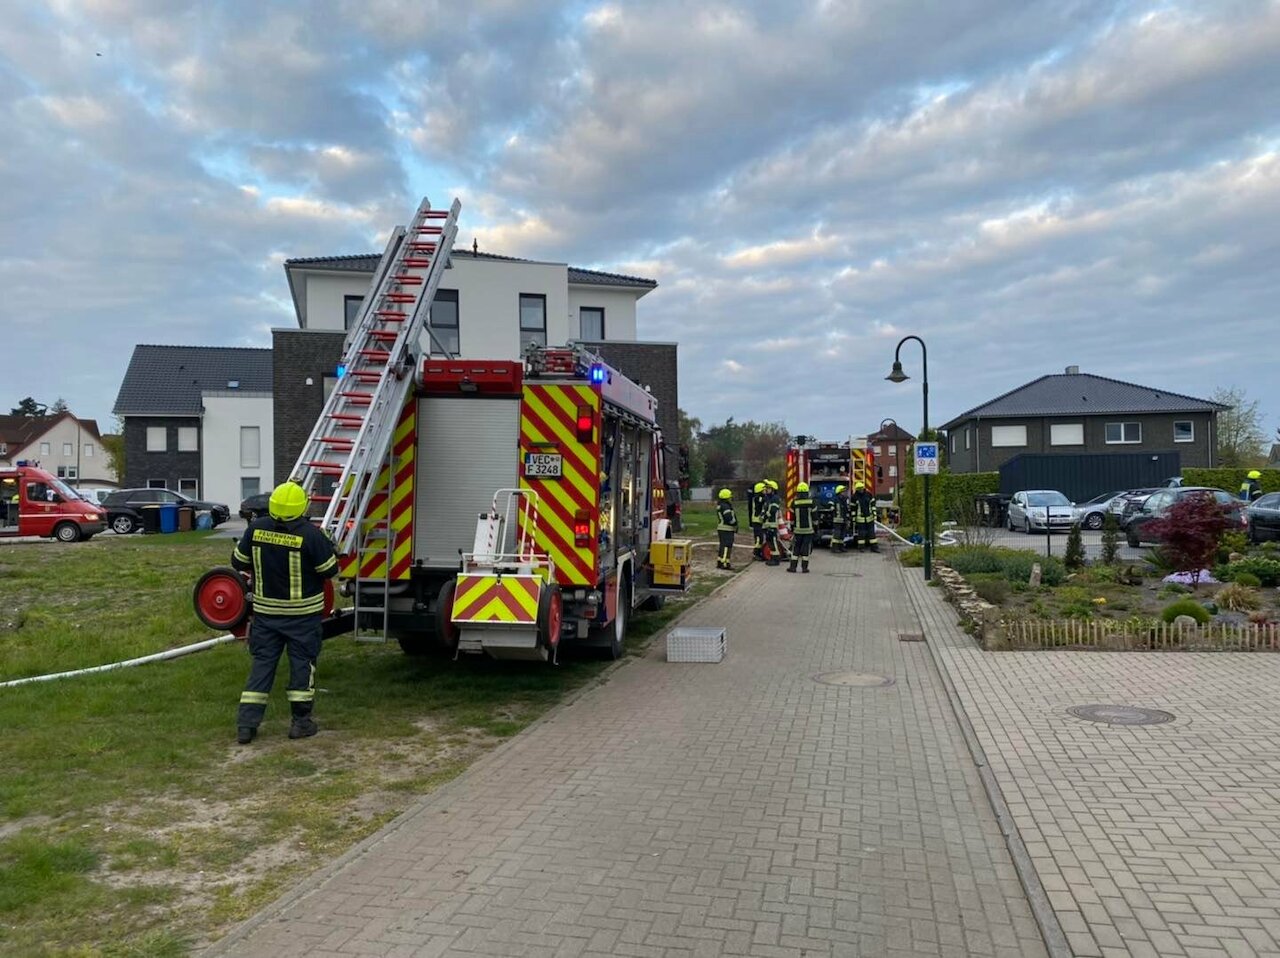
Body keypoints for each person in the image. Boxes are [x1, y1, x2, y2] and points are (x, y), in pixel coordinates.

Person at [231, 480, 338, 745]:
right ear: (302, 506)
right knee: (302, 666)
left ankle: (246, 726)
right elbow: (329, 570)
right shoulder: (311, 534)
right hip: (303, 617)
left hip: (267, 615)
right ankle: (300, 723)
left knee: (262, 666)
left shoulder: (256, 529)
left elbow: (238, 562)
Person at [788, 482, 815, 573]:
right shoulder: (811, 502)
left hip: (798, 530)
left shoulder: (794, 503)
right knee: (805, 549)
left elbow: (791, 518)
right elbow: (815, 517)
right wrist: (815, 527)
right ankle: (804, 568)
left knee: (796, 549)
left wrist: (792, 528)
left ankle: (793, 567)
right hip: (808, 530)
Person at [850, 482, 878, 552]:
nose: (861, 490)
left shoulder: (869, 495)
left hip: (870, 518)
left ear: (863, 488)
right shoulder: (854, 497)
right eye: (859, 489)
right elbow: (853, 509)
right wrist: (853, 519)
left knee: (872, 534)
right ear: (856, 489)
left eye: (861, 488)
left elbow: (873, 506)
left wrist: (874, 515)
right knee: (861, 534)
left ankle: (874, 548)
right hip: (860, 519)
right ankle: (861, 548)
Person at [715, 488, 738, 570]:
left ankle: (721, 561)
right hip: (727, 528)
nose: (731, 498)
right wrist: (734, 523)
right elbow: (728, 517)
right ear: (727, 497)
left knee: (723, 545)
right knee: (727, 546)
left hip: (722, 528)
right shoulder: (725, 506)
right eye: (730, 497)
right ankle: (724, 563)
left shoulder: (721, 505)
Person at [762, 480, 781, 566]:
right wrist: (762, 516)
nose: (767, 490)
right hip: (767, 524)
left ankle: (776, 559)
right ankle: (772, 558)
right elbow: (765, 509)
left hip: (772, 524)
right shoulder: (768, 498)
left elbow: (773, 510)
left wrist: (765, 516)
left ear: (773, 489)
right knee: (769, 542)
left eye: (769, 488)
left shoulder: (775, 498)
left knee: (773, 542)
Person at [748, 481, 766, 560]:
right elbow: (763, 502)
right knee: (759, 538)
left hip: (758, 521)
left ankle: (759, 552)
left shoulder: (757, 498)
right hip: (757, 521)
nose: (765, 491)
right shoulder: (758, 498)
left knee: (760, 538)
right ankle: (756, 553)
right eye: (764, 490)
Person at [831, 484, 849, 553]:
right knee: (837, 535)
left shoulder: (844, 500)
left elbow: (846, 510)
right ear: (839, 492)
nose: (845, 493)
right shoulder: (835, 499)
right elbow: (831, 507)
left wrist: (847, 519)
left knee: (842, 534)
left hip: (844, 520)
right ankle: (834, 548)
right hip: (837, 520)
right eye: (843, 491)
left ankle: (841, 547)